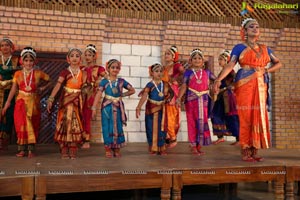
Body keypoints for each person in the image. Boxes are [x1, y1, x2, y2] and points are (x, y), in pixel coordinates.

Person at [213, 18, 282, 162]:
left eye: (257, 26)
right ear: (244, 31)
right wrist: (218, 80)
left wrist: (266, 70)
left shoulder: (265, 48)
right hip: (245, 83)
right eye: (251, 26)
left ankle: (254, 149)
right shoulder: (239, 47)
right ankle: (245, 149)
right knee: (246, 116)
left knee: (258, 114)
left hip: (261, 84)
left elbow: (278, 63)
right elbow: (230, 65)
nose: (255, 28)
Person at [2, 47, 51, 158]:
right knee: (21, 125)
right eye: (26, 60)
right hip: (20, 103)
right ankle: (22, 150)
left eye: (30, 60)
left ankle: (31, 150)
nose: (28, 63)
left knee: (33, 125)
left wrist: (43, 89)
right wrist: (7, 103)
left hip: (34, 104)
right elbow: (13, 89)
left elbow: (50, 81)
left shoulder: (38, 73)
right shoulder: (18, 74)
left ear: (34, 61)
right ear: (22, 61)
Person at [47, 48, 87, 159]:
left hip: (77, 102)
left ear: (80, 59)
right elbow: (58, 85)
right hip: (66, 102)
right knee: (65, 123)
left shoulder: (83, 73)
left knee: (75, 124)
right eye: (72, 56)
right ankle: (64, 149)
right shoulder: (65, 72)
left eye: (77, 56)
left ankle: (73, 149)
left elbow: (85, 88)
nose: (74, 58)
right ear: (68, 59)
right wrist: (51, 98)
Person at [92, 59, 135, 158]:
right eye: (113, 67)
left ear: (119, 69)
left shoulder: (121, 81)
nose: (115, 69)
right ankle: (108, 149)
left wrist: (122, 95)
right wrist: (94, 107)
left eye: (117, 68)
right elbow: (99, 94)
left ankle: (116, 148)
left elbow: (132, 90)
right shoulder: (104, 82)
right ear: (108, 68)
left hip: (118, 107)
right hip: (107, 107)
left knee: (118, 126)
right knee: (107, 127)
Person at [176, 49, 215, 155]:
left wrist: (216, 88)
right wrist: (179, 98)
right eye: (195, 58)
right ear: (190, 60)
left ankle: (199, 145)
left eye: (199, 58)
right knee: (192, 123)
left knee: (202, 123)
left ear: (203, 61)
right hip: (191, 100)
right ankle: (193, 145)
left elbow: (216, 81)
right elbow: (184, 85)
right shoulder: (188, 73)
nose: (197, 60)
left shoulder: (207, 72)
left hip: (204, 101)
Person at [136, 63, 173, 155]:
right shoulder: (150, 84)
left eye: (161, 71)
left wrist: (168, 99)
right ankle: (153, 148)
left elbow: (172, 93)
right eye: (156, 71)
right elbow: (144, 96)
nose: (159, 73)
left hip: (162, 110)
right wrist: (138, 107)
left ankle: (162, 148)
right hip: (151, 110)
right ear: (151, 73)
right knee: (151, 128)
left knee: (162, 128)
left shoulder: (165, 84)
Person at [211, 50, 240, 145]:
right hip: (221, 98)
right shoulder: (221, 72)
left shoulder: (231, 71)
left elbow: (236, 82)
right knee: (215, 115)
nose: (219, 61)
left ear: (227, 61)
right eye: (219, 59)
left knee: (232, 117)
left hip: (228, 97)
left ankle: (239, 138)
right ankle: (220, 136)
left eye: (221, 59)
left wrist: (230, 87)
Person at [81, 44, 106, 149]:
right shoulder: (81, 68)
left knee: (87, 117)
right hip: (80, 94)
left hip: (91, 95)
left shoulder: (99, 69)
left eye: (89, 55)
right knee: (79, 116)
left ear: (94, 56)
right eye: (86, 55)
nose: (87, 57)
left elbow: (107, 80)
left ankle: (86, 140)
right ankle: (79, 138)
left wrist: (98, 83)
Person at [162, 46, 185, 148]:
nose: (166, 55)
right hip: (165, 92)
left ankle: (173, 138)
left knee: (171, 115)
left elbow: (185, 74)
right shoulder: (165, 67)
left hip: (173, 92)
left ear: (173, 56)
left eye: (168, 54)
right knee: (166, 115)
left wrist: (176, 80)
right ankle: (168, 137)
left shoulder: (176, 66)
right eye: (165, 54)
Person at [0, 38, 20, 151]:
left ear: (11, 47)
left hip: (10, 92)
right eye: (2, 45)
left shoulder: (16, 60)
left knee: (7, 115)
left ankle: (4, 141)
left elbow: (20, 73)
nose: (4, 47)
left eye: (7, 45)